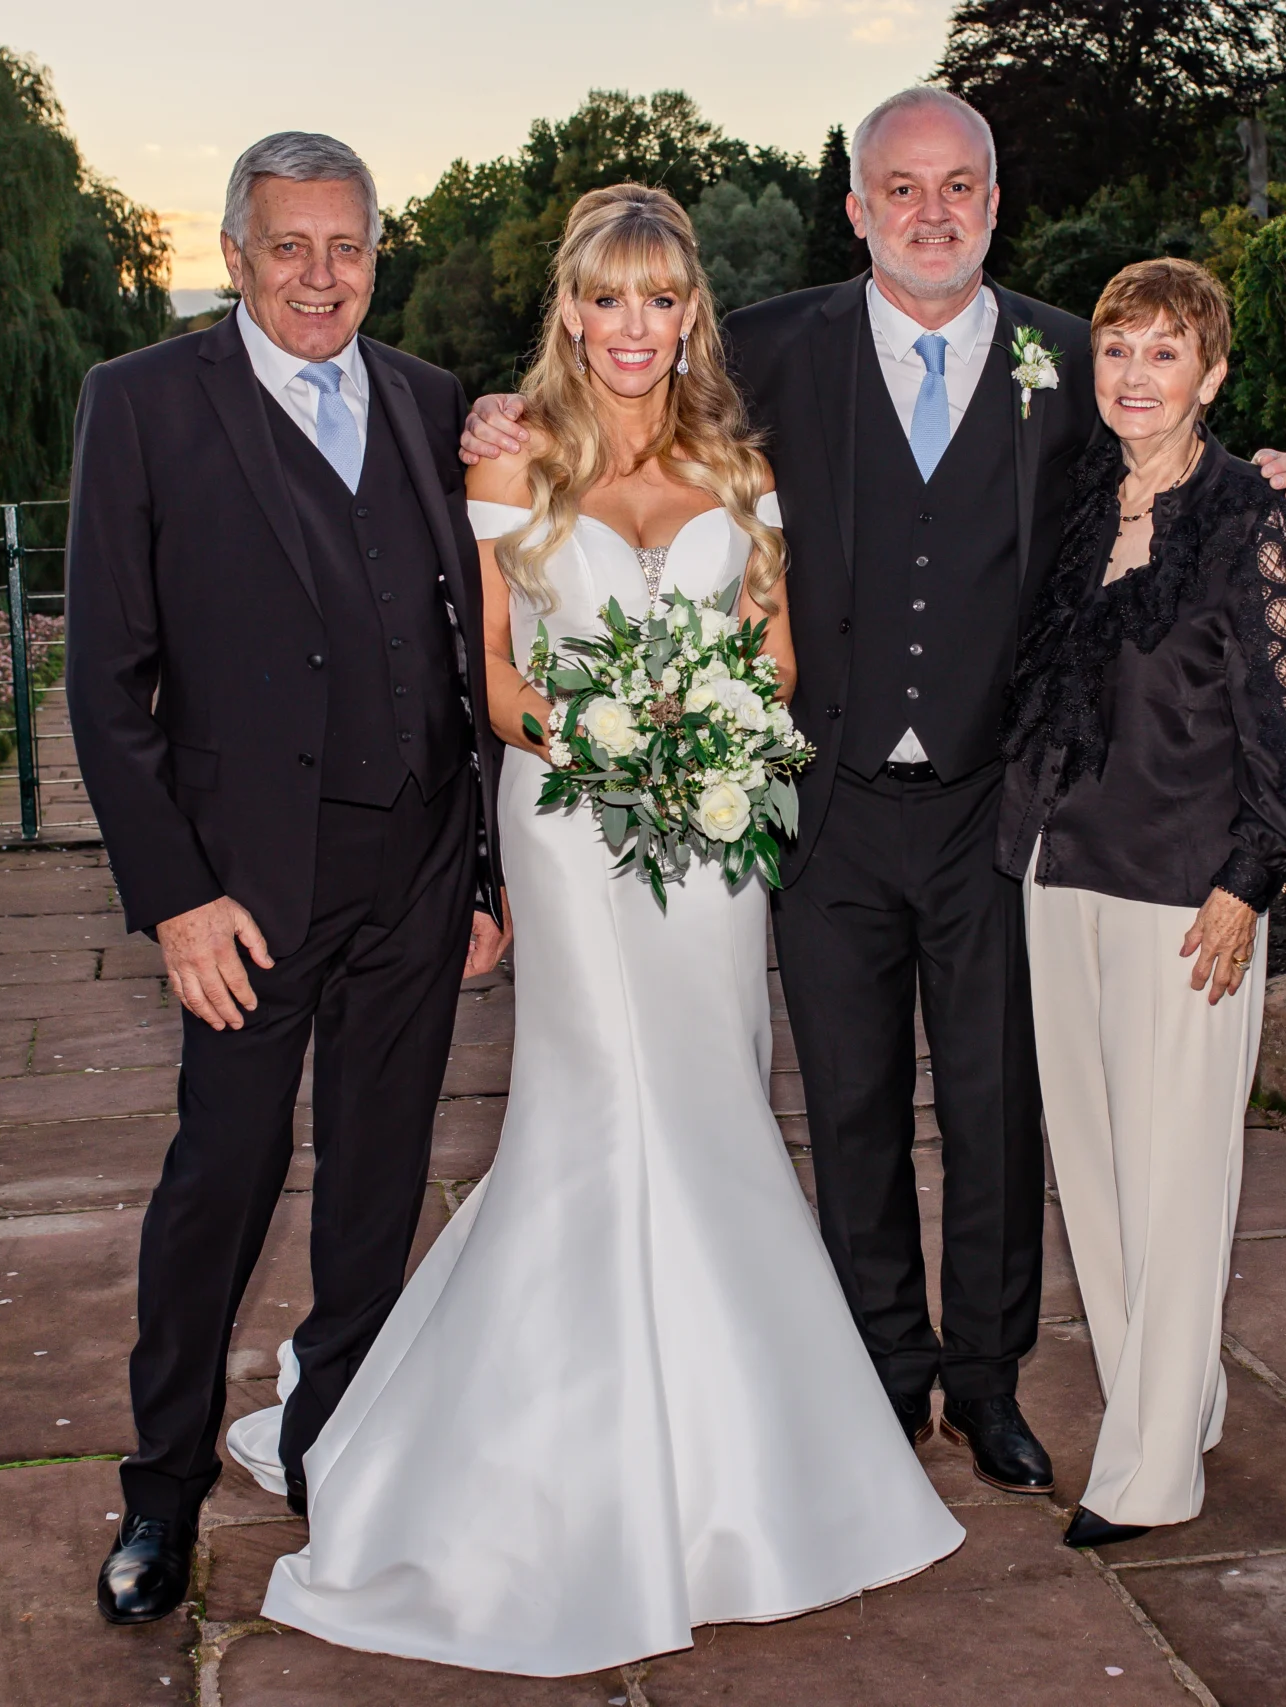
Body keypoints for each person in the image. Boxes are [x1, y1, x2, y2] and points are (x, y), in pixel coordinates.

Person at [464, 87, 1286, 1499]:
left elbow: (1169, 454)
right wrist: (498, 409)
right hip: (825, 804)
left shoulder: (1070, 358)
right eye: (901, 188)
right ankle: (879, 1369)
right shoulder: (769, 349)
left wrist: (1263, 478)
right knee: (849, 1105)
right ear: (856, 208)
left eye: (958, 186)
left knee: (996, 1108)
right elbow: (624, 404)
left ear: (995, 203)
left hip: (1002, 808)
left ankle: (986, 1379)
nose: (932, 212)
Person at [243, 183, 963, 1678]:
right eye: (606, 298)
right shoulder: (513, 457)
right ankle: (550, 1470)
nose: (633, 327)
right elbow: (495, 677)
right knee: (598, 1111)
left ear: (691, 316)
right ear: (570, 310)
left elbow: (775, 662)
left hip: (711, 837)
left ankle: (743, 1467)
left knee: (713, 1107)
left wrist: (706, 736)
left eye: (661, 299)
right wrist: (599, 736)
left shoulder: (738, 466)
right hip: (573, 828)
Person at [64, 131, 508, 1625]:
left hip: (420, 865)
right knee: (222, 1181)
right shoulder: (141, 402)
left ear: (379, 254)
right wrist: (175, 896)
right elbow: (104, 681)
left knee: (379, 1183)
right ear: (236, 255)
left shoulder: (433, 402)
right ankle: (162, 1488)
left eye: (348, 246)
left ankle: (336, 1444)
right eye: (290, 246)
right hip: (245, 891)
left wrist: (485, 871)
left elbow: (468, 648)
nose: (321, 276)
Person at [999, 257, 1286, 1550]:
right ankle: (1175, 1402)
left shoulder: (1253, 519)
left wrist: (1249, 884)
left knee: (1178, 1176)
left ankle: (1150, 1473)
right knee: (1096, 1176)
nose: (1135, 375)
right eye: (1116, 349)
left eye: (1164, 352)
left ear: (1212, 374)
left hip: (1187, 895)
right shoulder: (1084, 502)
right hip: (1060, 871)